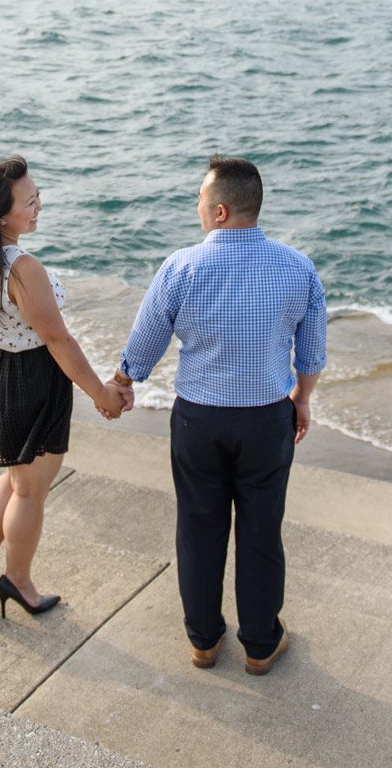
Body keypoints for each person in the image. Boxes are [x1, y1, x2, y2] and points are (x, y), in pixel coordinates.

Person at [110, 156, 326, 675]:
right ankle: (259, 644)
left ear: (222, 210)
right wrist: (301, 400)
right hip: (265, 421)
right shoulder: (298, 267)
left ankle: (204, 641)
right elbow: (313, 356)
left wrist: (119, 386)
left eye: (201, 202)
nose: (198, 210)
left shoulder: (180, 266)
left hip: (197, 423)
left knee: (199, 527)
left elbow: (144, 345)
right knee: (260, 530)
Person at [0, 156, 129, 619]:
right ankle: (18, 581)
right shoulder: (22, 267)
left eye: (38, 196)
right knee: (30, 490)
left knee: (14, 479)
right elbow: (57, 338)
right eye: (30, 202)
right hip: (30, 380)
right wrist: (101, 394)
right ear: (2, 214)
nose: (38, 207)